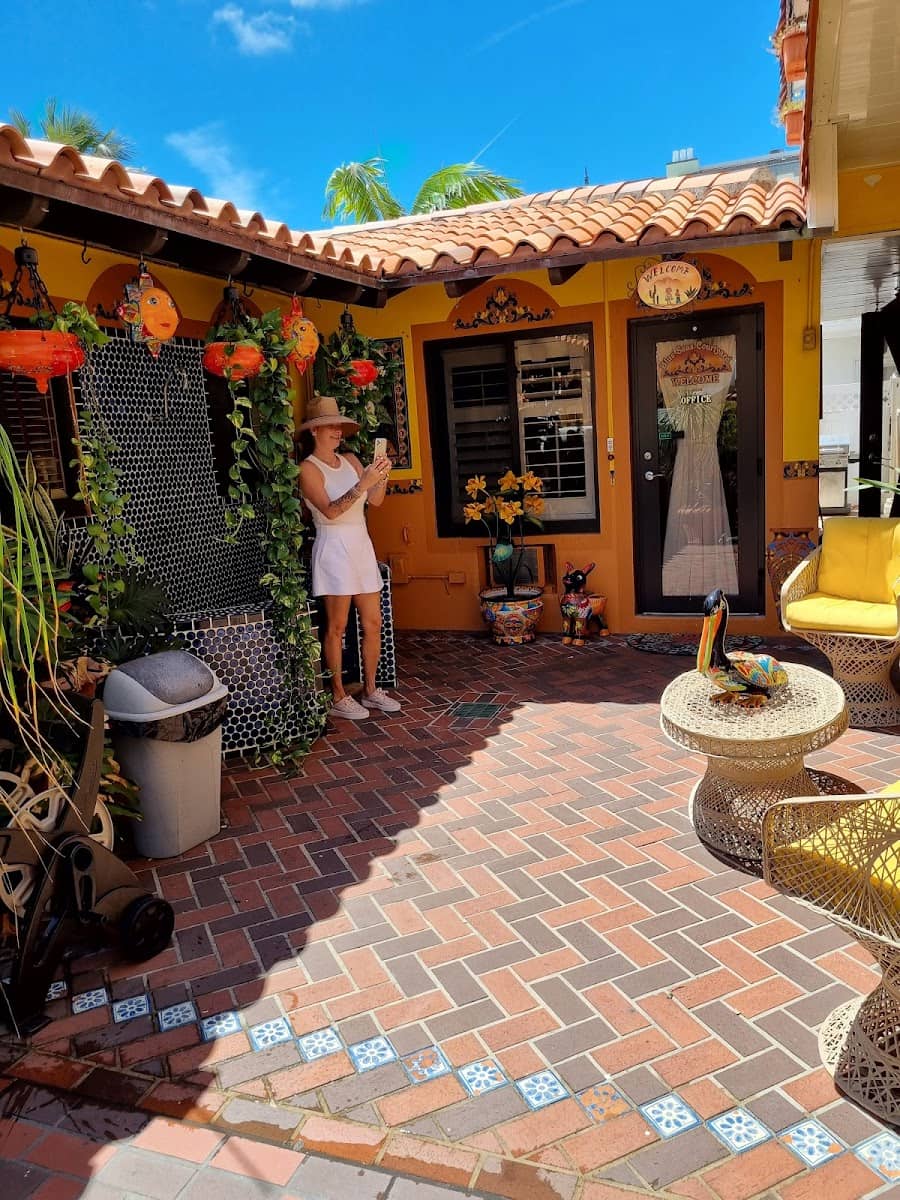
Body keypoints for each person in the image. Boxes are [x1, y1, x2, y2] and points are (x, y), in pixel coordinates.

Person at [297, 395, 401, 720]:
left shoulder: (353, 460)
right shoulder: (307, 469)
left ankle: (370, 690)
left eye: (339, 427)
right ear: (314, 431)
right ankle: (339, 696)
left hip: (360, 543)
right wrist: (363, 484)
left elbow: (377, 501)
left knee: (373, 622)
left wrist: (380, 476)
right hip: (332, 545)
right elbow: (329, 510)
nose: (337, 432)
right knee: (337, 626)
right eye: (330, 427)